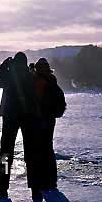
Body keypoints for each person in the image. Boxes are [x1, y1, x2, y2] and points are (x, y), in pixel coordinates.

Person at [0, 52, 38, 200]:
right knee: (31, 153)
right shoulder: (30, 76)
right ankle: (35, 189)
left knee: (6, 153)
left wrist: (4, 66)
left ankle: (2, 187)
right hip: (28, 117)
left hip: (10, 116)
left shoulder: (10, 76)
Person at [30, 58, 66, 190]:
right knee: (47, 149)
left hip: (41, 119)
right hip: (48, 119)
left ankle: (44, 180)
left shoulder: (38, 81)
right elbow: (61, 102)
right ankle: (50, 180)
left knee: (42, 149)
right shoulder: (52, 82)